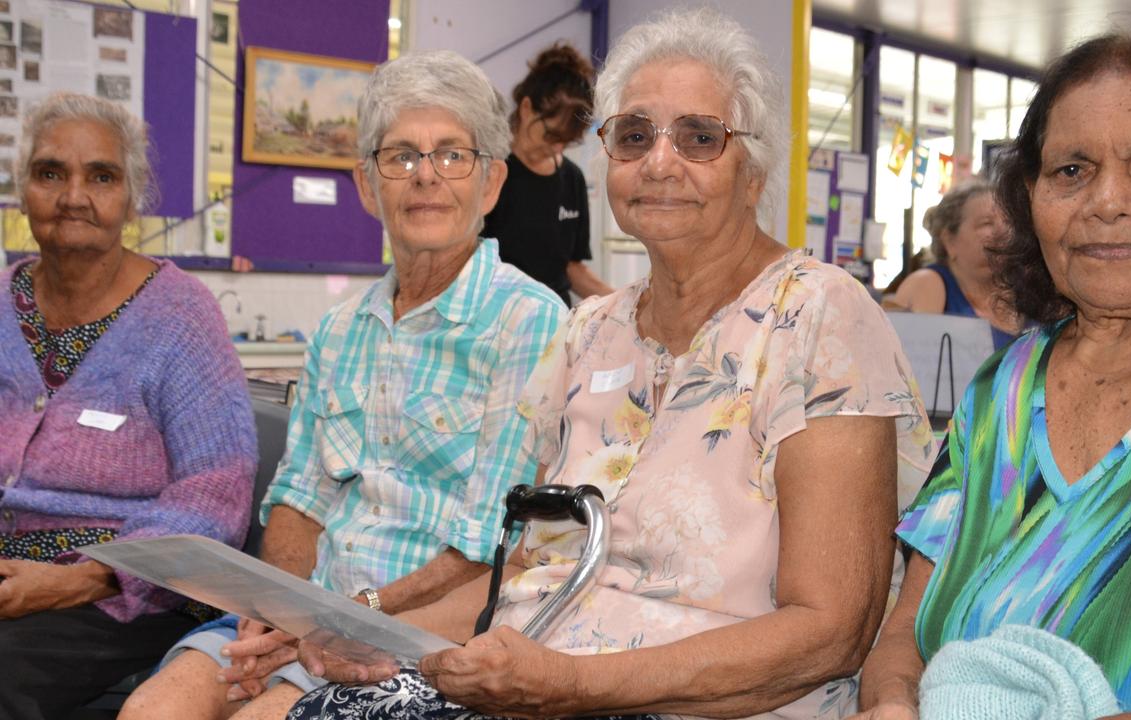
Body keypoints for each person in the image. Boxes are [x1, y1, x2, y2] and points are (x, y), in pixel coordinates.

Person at [287, 8, 936, 720]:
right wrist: (383, 643)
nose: (660, 162)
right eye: (634, 136)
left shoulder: (820, 319)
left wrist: (573, 686)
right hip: (532, 684)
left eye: (698, 137)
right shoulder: (589, 333)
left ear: (753, 170)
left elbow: (830, 633)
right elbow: (529, 571)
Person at [120, 51, 566, 720]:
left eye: (451, 155)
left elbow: (491, 547)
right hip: (313, 613)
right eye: (401, 156)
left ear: (491, 184)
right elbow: (300, 499)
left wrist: (350, 619)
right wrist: (279, 612)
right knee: (151, 711)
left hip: (412, 635)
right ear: (366, 185)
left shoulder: (528, 322)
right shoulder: (338, 330)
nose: (425, 177)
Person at [856, 31, 1131, 719]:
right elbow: (906, 630)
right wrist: (894, 701)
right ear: (1032, 197)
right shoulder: (1002, 387)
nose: (1106, 202)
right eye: (1072, 171)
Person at [0, 92, 256, 719]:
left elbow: (216, 491)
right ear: (21, 189)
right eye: (50, 172)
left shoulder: (181, 316)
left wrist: (88, 577)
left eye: (102, 176)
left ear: (133, 197)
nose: (73, 196)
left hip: (127, 593)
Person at [481, 42, 612, 306]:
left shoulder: (571, 179)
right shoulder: (490, 170)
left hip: (554, 319)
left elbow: (569, 269)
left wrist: (625, 303)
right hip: (496, 321)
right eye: (551, 135)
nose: (557, 148)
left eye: (566, 140)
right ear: (527, 108)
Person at [884, 179, 1021, 348]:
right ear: (949, 242)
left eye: (1008, 222)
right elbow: (912, 366)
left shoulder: (1024, 291)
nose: (1003, 231)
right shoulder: (928, 283)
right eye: (986, 223)